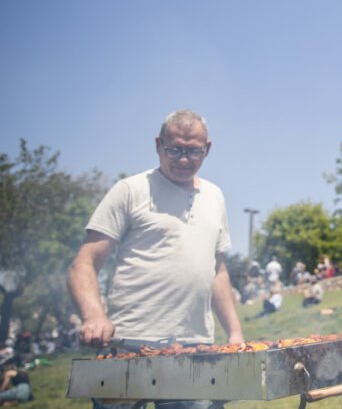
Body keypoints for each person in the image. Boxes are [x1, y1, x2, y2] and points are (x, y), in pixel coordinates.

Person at [67, 110, 243, 408]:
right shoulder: (130, 190)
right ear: (158, 144)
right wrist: (94, 316)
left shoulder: (215, 196)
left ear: (208, 149)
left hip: (195, 345)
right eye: (174, 149)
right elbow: (83, 263)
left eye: (193, 151)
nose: (183, 159)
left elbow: (218, 272)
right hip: (128, 341)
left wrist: (235, 332)